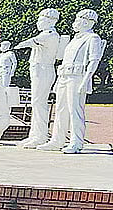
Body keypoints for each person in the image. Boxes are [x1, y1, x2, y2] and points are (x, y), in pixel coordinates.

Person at [38, 9, 105, 154]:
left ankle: (76, 142)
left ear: (86, 21)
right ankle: (57, 139)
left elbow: (94, 61)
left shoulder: (92, 38)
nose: (75, 23)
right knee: (60, 109)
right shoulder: (74, 39)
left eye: (78, 20)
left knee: (75, 110)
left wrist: (86, 80)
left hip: (77, 76)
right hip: (64, 75)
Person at [15, 8, 65, 148]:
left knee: (39, 103)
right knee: (36, 103)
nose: (38, 22)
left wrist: (17, 46)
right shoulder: (45, 34)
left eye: (40, 19)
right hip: (38, 70)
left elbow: (27, 42)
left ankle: (40, 136)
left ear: (49, 20)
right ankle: (35, 134)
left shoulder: (50, 35)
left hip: (44, 70)